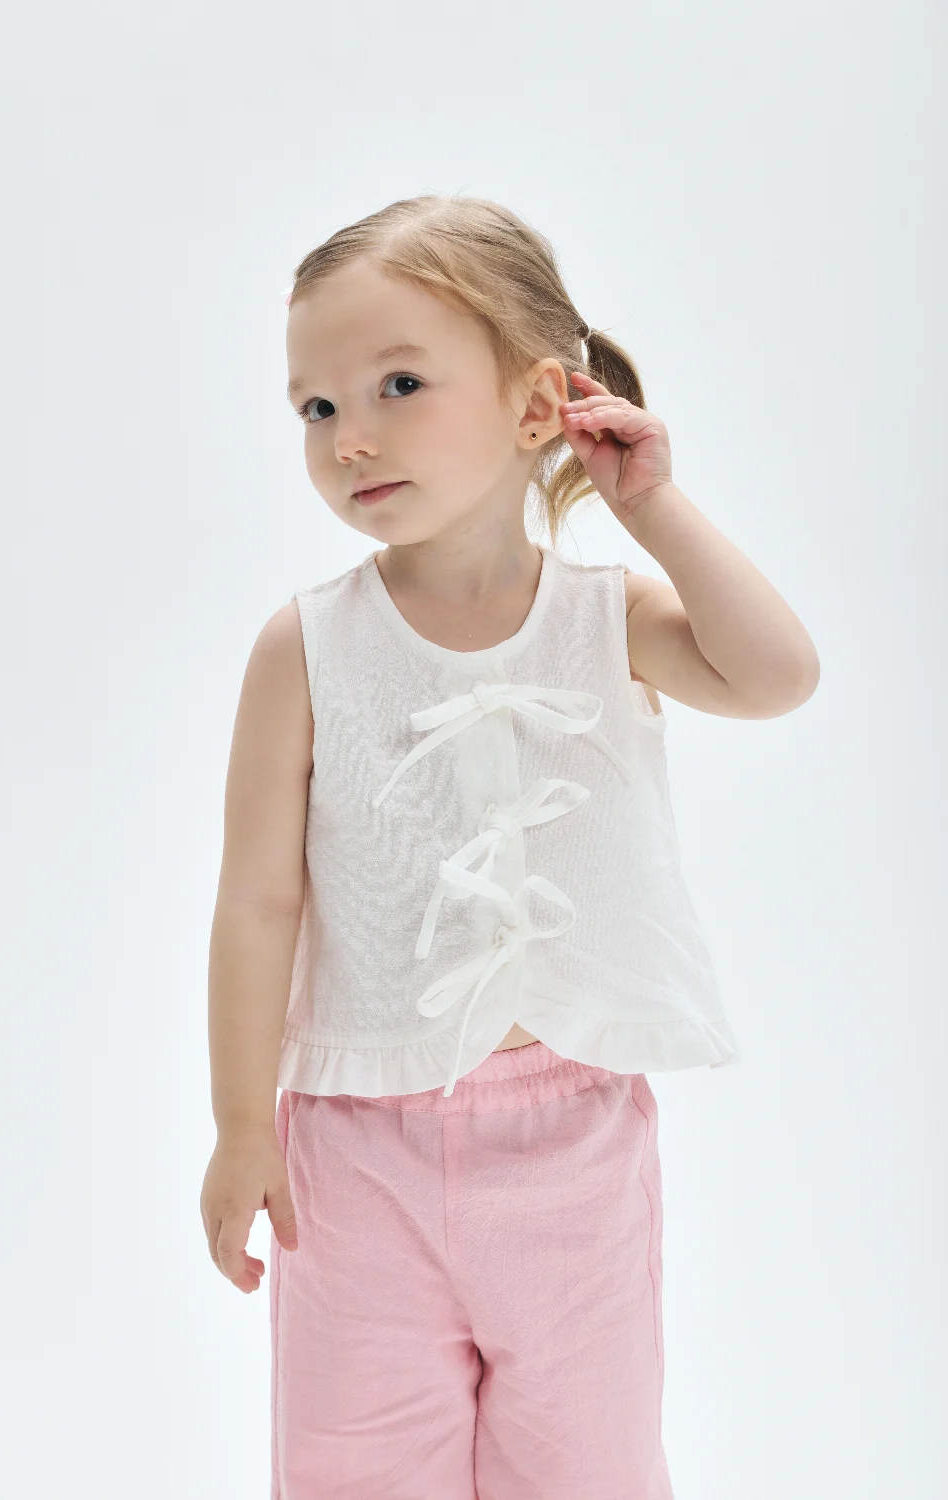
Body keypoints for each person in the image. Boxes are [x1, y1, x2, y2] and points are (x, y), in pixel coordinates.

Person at [200, 194, 820, 1499]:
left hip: (574, 1142)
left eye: (399, 384)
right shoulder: (303, 646)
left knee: (588, 1464)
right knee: (351, 1467)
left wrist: (653, 507)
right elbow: (257, 901)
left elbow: (776, 677)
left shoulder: (612, 617)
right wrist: (239, 1126)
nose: (348, 435)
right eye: (314, 406)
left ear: (539, 406)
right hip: (351, 1151)